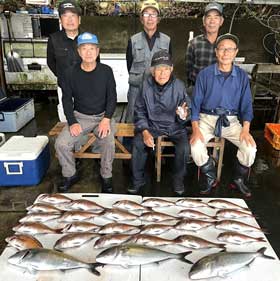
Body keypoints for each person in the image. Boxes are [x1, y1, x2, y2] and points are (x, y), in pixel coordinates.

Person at [190, 33, 257, 197]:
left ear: (235, 52)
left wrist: (246, 129)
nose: (225, 53)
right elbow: (195, 104)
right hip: (206, 119)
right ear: (216, 51)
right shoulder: (204, 74)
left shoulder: (241, 77)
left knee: (250, 149)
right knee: (195, 147)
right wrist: (196, 129)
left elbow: (247, 105)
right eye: (222, 49)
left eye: (230, 49)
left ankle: (238, 179)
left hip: (230, 121)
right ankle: (210, 175)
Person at [55, 32, 117, 193]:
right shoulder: (70, 72)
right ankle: (70, 174)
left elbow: (112, 97)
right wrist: (72, 121)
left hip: (103, 116)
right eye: (84, 48)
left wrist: (107, 119)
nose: (88, 52)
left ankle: (106, 176)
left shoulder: (106, 71)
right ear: (79, 51)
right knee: (61, 143)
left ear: (97, 51)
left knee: (108, 141)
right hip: (80, 117)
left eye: (92, 48)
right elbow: (67, 99)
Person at [128, 50, 191, 196]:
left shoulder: (180, 86)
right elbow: (139, 111)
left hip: (174, 126)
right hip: (151, 125)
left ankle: (178, 180)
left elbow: (187, 109)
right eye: (159, 69)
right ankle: (138, 180)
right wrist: (144, 131)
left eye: (166, 69)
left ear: (172, 69)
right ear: (152, 70)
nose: (162, 73)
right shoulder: (145, 85)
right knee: (137, 144)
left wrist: (183, 115)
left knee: (184, 147)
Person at [125, 0, 172, 124]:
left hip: (158, 88)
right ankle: (128, 144)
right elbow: (129, 65)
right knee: (131, 119)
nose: (150, 18)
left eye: (153, 14)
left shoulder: (167, 40)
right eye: (146, 14)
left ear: (158, 19)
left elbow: (168, 65)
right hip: (136, 88)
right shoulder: (133, 40)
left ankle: (152, 143)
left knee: (156, 119)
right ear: (141, 19)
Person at [47, 1, 82, 122]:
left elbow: (96, 62)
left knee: (86, 118)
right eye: (65, 16)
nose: (70, 20)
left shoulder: (87, 38)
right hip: (65, 87)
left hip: (86, 86)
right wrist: (63, 76)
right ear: (60, 20)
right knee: (66, 119)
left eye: (73, 16)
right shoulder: (53, 39)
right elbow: (50, 62)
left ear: (79, 19)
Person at [186, 2, 224, 89]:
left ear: (221, 21)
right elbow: (189, 70)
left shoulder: (225, 44)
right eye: (209, 17)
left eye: (216, 17)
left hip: (219, 90)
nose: (212, 21)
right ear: (204, 21)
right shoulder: (194, 44)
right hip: (198, 89)